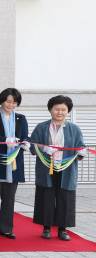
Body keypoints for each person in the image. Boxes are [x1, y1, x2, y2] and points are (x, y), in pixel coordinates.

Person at [30, 95, 88, 241]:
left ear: (68, 111)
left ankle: (62, 229)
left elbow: (81, 146)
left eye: (63, 109)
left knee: (65, 198)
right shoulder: (41, 127)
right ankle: (46, 228)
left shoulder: (74, 129)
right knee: (46, 197)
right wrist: (44, 148)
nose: (59, 112)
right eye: (56, 109)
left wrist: (82, 151)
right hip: (46, 168)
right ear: (50, 109)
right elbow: (32, 146)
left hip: (66, 168)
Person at [0, 88, 29, 239]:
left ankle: (7, 228)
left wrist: (26, 144)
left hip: (14, 164)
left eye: (15, 102)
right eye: (8, 101)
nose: (11, 104)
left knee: (9, 199)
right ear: (1, 100)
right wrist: (5, 140)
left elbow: (24, 137)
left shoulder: (21, 118)